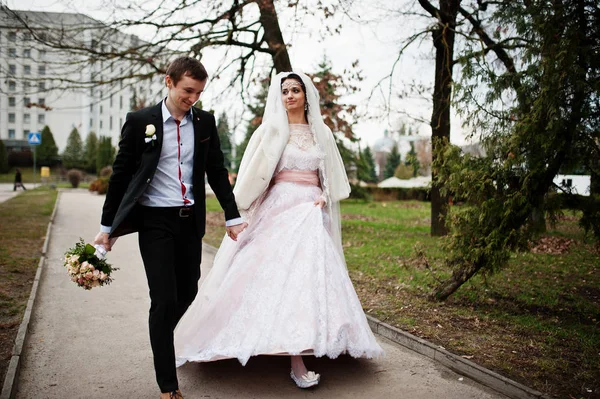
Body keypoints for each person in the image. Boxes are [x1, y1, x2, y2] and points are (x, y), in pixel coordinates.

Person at [174, 71, 384, 388]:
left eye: (295, 90)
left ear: (305, 95)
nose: (289, 96)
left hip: (311, 210)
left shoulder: (321, 133)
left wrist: (324, 199)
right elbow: (257, 174)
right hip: (279, 208)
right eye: (284, 90)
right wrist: (245, 209)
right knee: (265, 274)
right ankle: (285, 353)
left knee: (306, 278)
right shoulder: (270, 131)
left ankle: (300, 352)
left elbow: (329, 176)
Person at [94, 57, 246, 399]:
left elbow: (216, 171)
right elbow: (120, 176)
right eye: (187, 91)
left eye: (199, 92)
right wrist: (108, 228)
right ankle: (168, 385)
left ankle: (160, 332)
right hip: (154, 221)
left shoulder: (205, 122)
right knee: (162, 300)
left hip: (189, 220)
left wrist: (232, 216)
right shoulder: (139, 122)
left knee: (188, 291)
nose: (192, 98)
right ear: (169, 82)